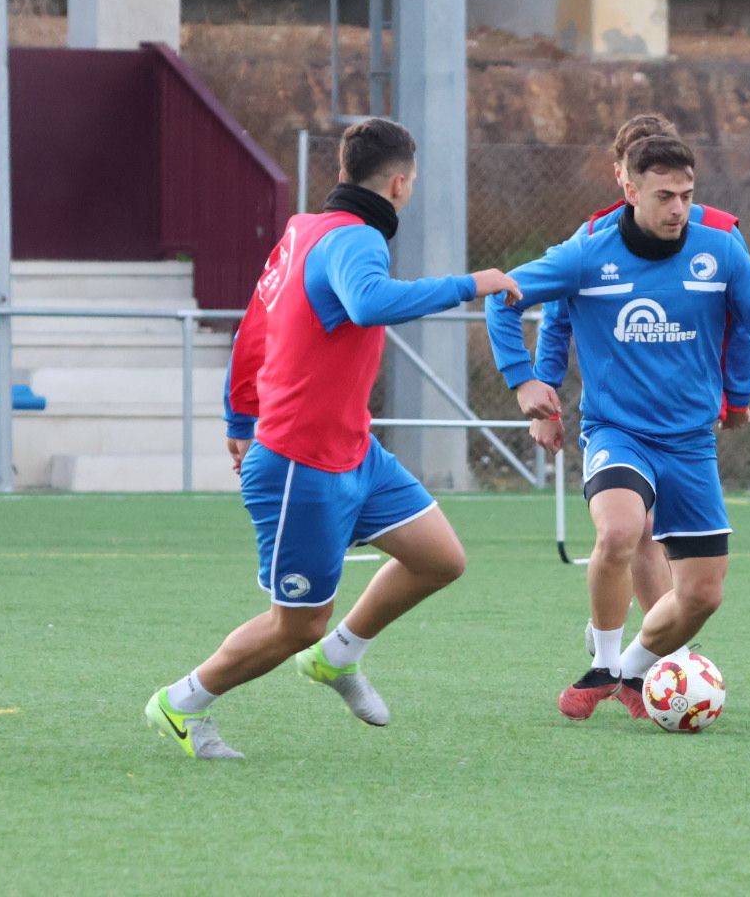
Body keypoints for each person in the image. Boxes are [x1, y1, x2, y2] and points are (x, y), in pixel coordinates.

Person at [145, 118, 521, 757]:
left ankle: (338, 657)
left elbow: (254, 328)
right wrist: (472, 284)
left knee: (439, 559)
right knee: (295, 626)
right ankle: (180, 704)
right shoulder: (357, 239)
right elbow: (369, 303)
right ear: (400, 184)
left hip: (356, 453)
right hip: (301, 463)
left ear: (344, 171)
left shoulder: (301, 232)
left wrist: (239, 417)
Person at [486, 135, 750, 720]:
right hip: (617, 432)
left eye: (686, 195)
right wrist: (525, 380)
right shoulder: (588, 254)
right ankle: (603, 663)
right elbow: (502, 299)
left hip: (690, 444)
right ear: (629, 190)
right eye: (664, 196)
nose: (678, 209)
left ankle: (631, 670)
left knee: (704, 594)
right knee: (619, 532)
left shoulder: (720, 253)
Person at [529, 114, 750, 663]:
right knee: (635, 526)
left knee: (657, 533)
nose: (672, 204)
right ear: (624, 178)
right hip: (621, 417)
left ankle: (650, 646)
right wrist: (543, 395)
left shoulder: (718, 235)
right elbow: (557, 320)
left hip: (688, 412)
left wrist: (739, 394)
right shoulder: (592, 240)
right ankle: (658, 657)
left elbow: (748, 321)